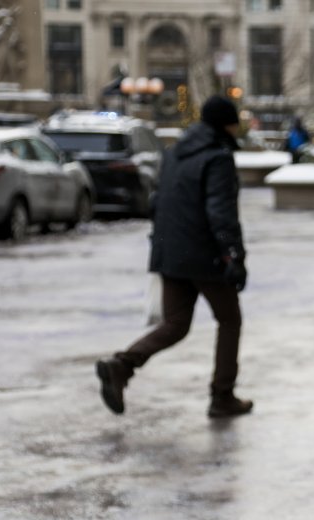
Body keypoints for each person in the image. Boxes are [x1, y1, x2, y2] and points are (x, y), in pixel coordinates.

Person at [95, 95, 253, 418]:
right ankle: (222, 396)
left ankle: (122, 365)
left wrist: (163, 251)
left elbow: (157, 203)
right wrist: (233, 255)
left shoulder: (176, 152)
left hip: (171, 252)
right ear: (226, 124)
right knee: (230, 319)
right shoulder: (217, 157)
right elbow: (220, 212)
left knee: (176, 324)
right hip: (204, 255)